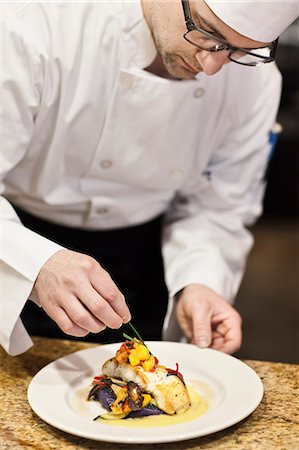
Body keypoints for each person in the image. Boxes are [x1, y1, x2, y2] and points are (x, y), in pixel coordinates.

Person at [1, 0, 298, 356]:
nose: (213, 65)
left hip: (144, 260)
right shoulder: (31, 26)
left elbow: (219, 206)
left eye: (239, 50)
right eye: (206, 32)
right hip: (17, 246)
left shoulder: (255, 79)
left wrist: (200, 281)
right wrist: (32, 263)